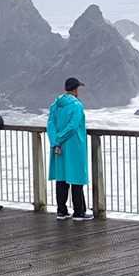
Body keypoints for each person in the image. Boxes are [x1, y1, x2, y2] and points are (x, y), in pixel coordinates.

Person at [47, 77, 93, 221]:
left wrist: (55, 141)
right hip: (74, 145)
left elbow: (50, 124)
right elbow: (73, 126)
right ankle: (79, 212)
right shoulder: (77, 105)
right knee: (76, 177)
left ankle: (62, 211)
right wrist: (61, 138)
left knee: (61, 178)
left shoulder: (55, 104)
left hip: (58, 147)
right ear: (75, 89)